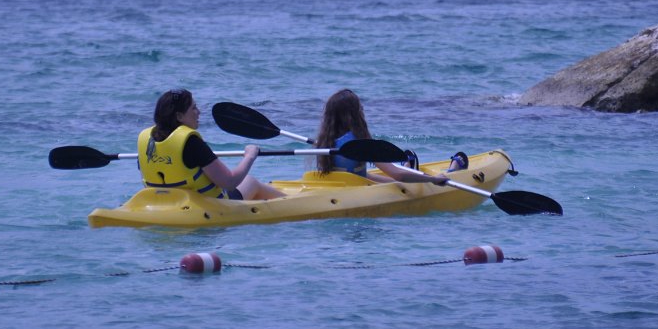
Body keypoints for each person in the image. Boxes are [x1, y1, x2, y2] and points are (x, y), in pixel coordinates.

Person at [137, 89, 284, 200]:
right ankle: (289, 202)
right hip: (206, 205)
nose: (199, 112)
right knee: (250, 181)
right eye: (193, 108)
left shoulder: (146, 138)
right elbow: (229, 182)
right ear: (179, 116)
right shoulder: (191, 142)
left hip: (162, 202)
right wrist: (250, 156)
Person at [315, 89, 450, 186]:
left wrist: (398, 183)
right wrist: (433, 180)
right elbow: (398, 174)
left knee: (396, 182)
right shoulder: (359, 143)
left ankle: (408, 167)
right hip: (356, 189)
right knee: (400, 178)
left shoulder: (325, 140)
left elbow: (359, 175)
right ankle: (452, 166)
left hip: (340, 186)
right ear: (356, 114)